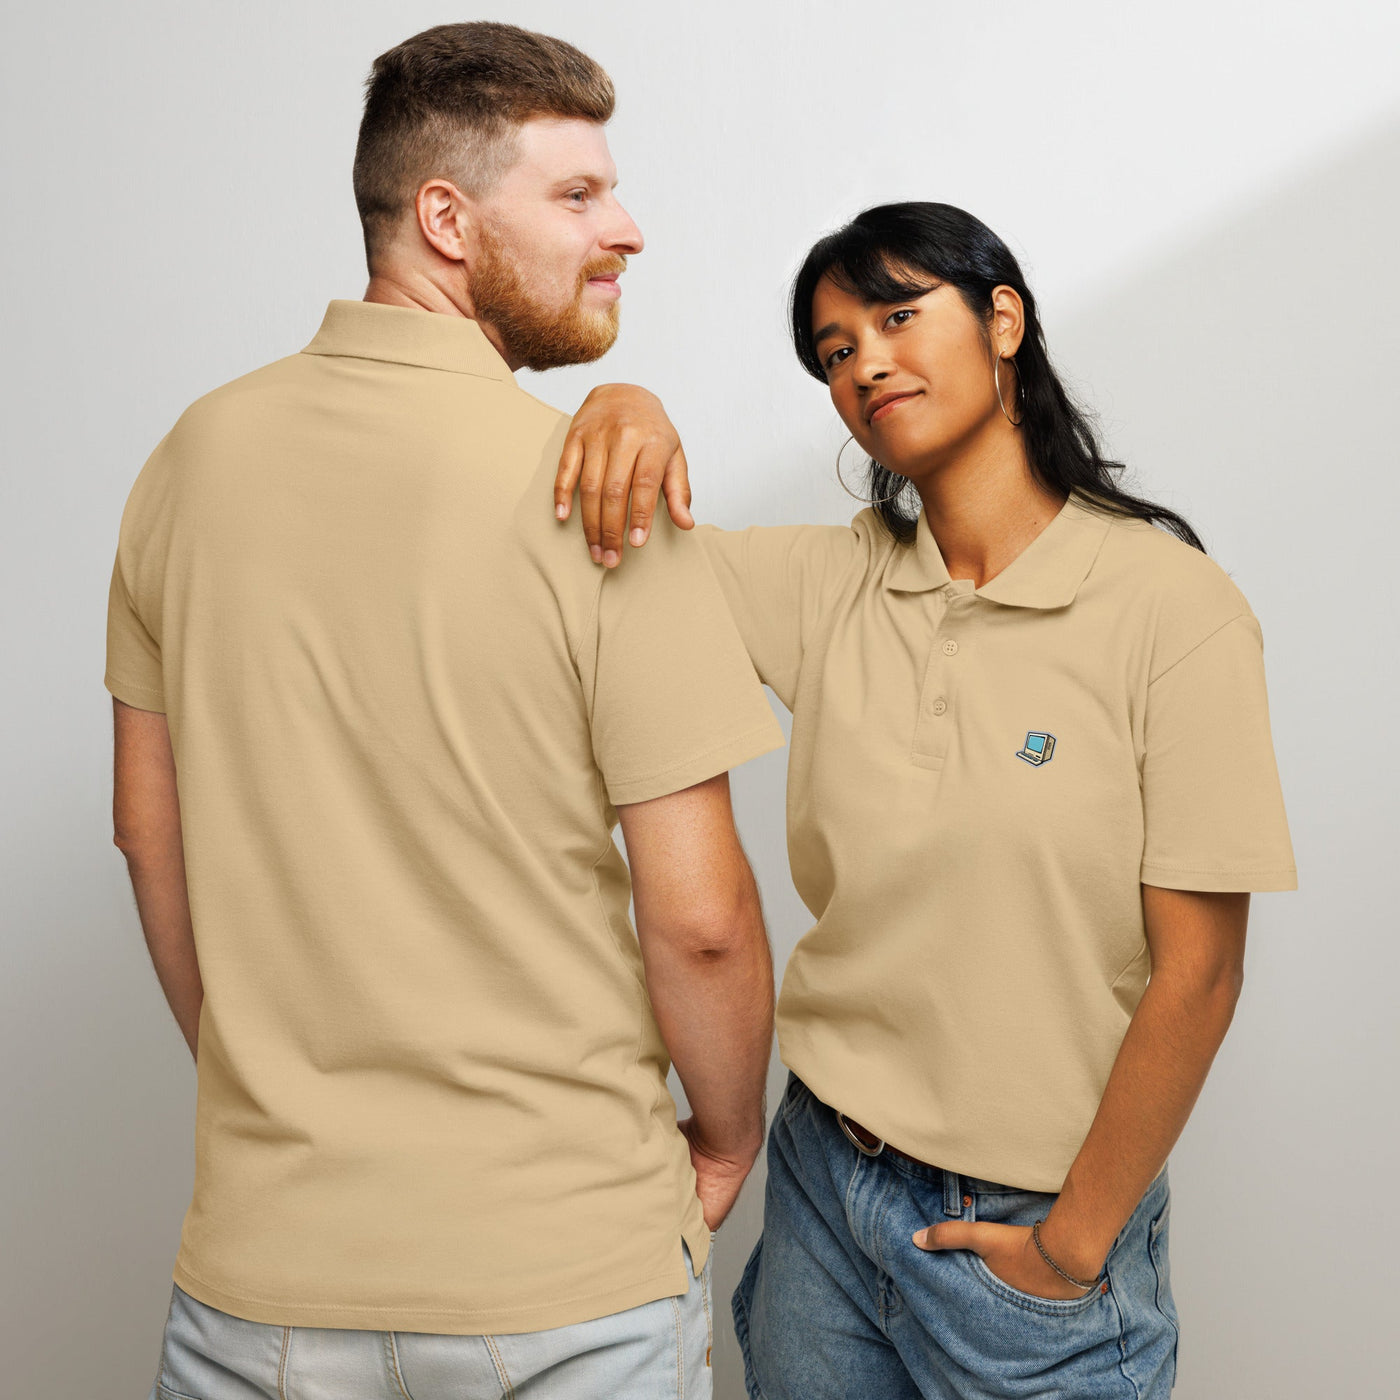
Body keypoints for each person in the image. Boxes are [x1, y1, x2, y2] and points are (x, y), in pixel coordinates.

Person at [107, 22, 784, 1400]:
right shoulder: (606, 497)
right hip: (564, 1281)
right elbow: (702, 919)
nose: (626, 229)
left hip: (262, 1275)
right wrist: (725, 1140)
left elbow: (146, 832)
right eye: (578, 194)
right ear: (446, 221)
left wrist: (271, 1095)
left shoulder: (189, 459)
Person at [553, 201, 1297, 1398]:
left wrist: (1070, 1245)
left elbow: (1199, 972)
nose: (864, 363)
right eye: (835, 349)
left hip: (1032, 1236)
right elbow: (619, 552)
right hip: (821, 1188)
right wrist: (623, 402)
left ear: (1002, 319)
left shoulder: (1172, 610)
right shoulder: (831, 583)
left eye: (897, 316)